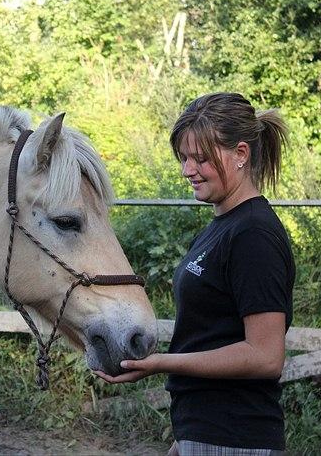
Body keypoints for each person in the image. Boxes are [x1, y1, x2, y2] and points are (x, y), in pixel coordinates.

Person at [95, 92, 295, 456]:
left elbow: (266, 355)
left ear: (240, 154)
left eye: (200, 158)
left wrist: (160, 364)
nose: (188, 170)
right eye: (184, 158)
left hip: (234, 437)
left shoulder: (253, 234)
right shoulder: (219, 229)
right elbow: (210, 337)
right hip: (203, 431)